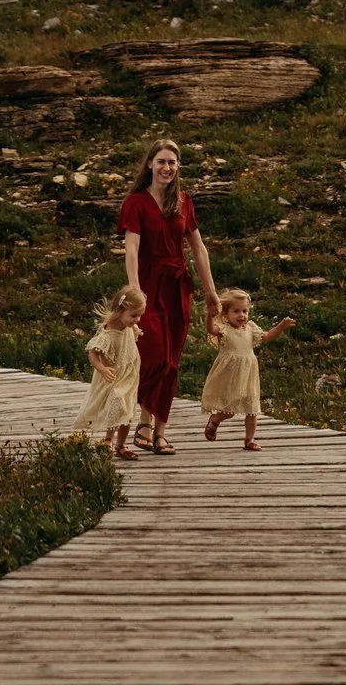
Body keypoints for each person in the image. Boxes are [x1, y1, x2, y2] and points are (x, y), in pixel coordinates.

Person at [117, 137, 220, 455]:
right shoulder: (135, 202)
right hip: (149, 285)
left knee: (172, 362)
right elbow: (131, 249)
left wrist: (212, 292)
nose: (166, 167)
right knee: (155, 356)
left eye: (172, 163)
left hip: (177, 286)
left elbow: (198, 248)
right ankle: (138, 420)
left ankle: (158, 431)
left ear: (177, 168)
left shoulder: (184, 202)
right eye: (161, 161)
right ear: (150, 164)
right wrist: (135, 292)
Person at [201, 288, 294, 451]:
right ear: (226, 313)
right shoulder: (225, 329)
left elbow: (266, 337)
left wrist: (281, 326)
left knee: (252, 409)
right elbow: (211, 330)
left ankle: (249, 440)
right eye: (236, 311)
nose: (241, 315)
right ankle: (215, 420)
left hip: (248, 373)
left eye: (244, 311)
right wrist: (210, 315)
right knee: (229, 411)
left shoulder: (250, 328)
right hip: (230, 374)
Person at [72, 284, 146, 461]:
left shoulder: (128, 326)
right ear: (120, 311)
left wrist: (136, 328)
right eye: (134, 316)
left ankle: (121, 444)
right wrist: (102, 368)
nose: (137, 320)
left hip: (129, 374)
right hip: (114, 376)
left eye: (140, 316)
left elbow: (132, 330)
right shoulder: (108, 332)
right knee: (117, 404)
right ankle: (108, 440)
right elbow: (93, 352)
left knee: (127, 411)